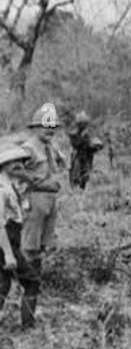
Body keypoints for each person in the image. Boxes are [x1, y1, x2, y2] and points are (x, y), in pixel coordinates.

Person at [18, 103, 66, 303]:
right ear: (35, 127)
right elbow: (16, 172)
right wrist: (40, 183)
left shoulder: (50, 147)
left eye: (53, 127)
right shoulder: (28, 148)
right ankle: (26, 285)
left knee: (43, 245)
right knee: (29, 245)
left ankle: (34, 283)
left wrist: (57, 152)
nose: (50, 130)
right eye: (45, 126)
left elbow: (60, 167)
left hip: (50, 202)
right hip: (34, 199)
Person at [0, 146, 39, 328]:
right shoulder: (1, 189)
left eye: (20, 161)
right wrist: (8, 253)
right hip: (4, 241)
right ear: (3, 164)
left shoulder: (12, 185)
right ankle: (28, 327)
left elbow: (20, 212)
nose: (17, 165)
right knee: (31, 281)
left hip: (11, 239)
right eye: (11, 161)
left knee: (3, 284)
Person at [67, 111, 100, 190]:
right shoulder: (74, 134)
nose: (83, 125)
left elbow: (96, 143)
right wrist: (84, 140)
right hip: (77, 155)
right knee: (75, 173)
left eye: (84, 124)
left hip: (87, 156)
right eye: (81, 123)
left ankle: (83, 188)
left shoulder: (89, 133)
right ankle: (75, 188)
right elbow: (76, 144)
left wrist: (93, 145)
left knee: (86, 173)